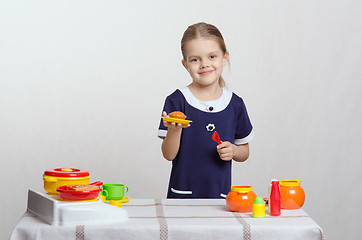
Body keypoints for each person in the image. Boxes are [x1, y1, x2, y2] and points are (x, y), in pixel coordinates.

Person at [158, 22, 254, 199]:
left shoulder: (235, 104)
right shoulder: (176, 100)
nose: (204, 64)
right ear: (185, 64)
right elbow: (168, 154)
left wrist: (233, 150)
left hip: (220, 199)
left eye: (212, 56)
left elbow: (244, 151)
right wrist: (174, 129)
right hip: (182, 197)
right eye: (195, 59)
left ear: (224, 58)